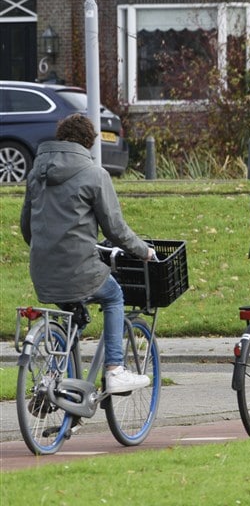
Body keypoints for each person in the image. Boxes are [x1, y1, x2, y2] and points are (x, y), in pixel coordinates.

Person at [20, 113, 156, 394]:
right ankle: (115, 369)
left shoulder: (37, 174)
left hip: (42, 270)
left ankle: (53, 379)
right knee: (114, 295)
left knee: (76, 318)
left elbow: (26, 227)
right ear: (88, 144)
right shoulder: (95, 174)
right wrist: (144, 251)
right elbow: (115, 228)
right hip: (79, 268)